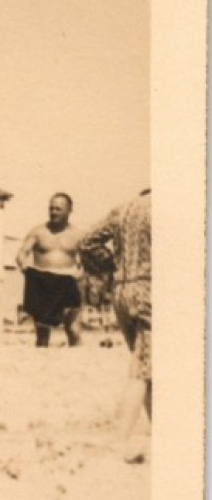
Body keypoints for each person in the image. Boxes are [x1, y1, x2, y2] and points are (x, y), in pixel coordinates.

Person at [79, 189, 151, 461]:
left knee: (146, 365)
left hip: (122, 290)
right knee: (142, 370)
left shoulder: (124, 208)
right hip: (150, 290)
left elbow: (87, 242)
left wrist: (113, 266)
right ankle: (119, 439)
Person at [16, 193, 85, 348]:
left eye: (58, 209)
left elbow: (88, 260)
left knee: (73, 329)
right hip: (42, 284)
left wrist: (82, 271)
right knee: (42, 333)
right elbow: (22, 253)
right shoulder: (38, 232)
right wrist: (23, 265)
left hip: (68, 281)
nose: (53, 212)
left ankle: (77, 364)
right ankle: (42, 368)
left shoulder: (79, 235)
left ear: (69, 210)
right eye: (51, 208)